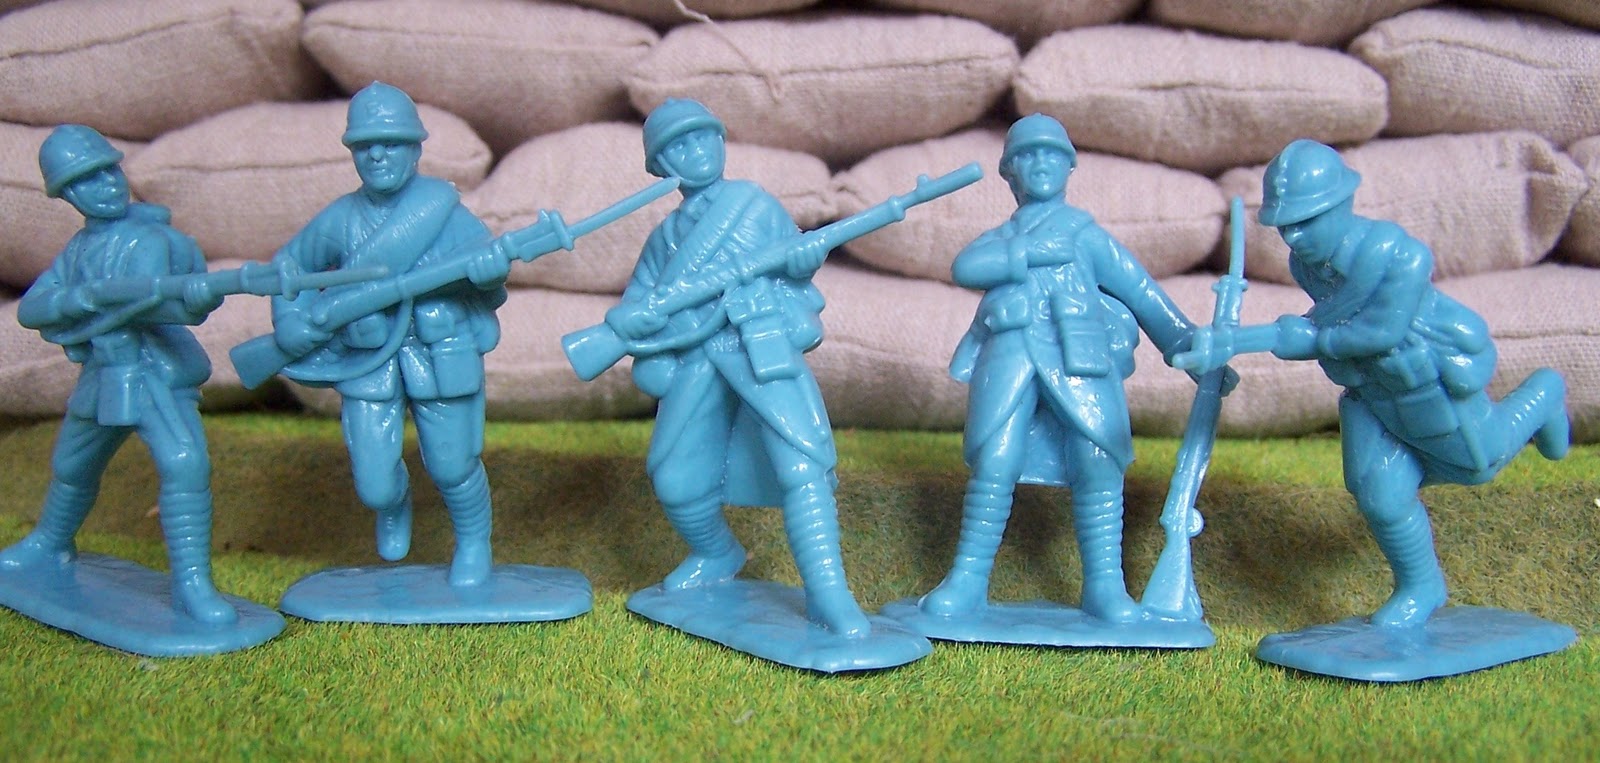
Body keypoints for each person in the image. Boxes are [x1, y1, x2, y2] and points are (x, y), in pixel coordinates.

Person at [1176, 139, 1569, 628]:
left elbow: (1379, 331)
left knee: (1478, 464)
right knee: (1379, 493)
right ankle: (1421, 586)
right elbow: (1316, 324)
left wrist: (1304, 340)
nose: (1293, 237)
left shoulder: (1399, 255)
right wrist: (1229, 342)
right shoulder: (1306, 265)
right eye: (1285, 226)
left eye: (1306, 221)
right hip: (1370, 392)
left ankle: (1544, 394)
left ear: (1342, 205)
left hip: (1420, 377)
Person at [920, 114, 1212, 624]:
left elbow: (1140, 291)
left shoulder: (1085, 236)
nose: (1040, 164)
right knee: (995, 461)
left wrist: (1185, 344)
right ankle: (967, 580)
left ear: (1069, 166)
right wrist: (1029, 251)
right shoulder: (1003, 237)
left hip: (1078, 354)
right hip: (1010, 356)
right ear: (1009, 171)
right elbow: (966, 267)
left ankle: (1105, 585)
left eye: (1052, 155)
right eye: (1027, 155)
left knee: (1097, 460)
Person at [603, 98, 868, 636]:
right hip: (698, 360)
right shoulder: (666, 237)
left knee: (802, 465)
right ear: (660, 165)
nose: (697, 151)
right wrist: (635, 318)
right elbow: (636, 304)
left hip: (758, 345)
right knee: (675, 478)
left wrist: (801, 263)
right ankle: (715, 552)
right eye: (679, 145)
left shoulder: (754, 206)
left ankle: (829, 593)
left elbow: (795, 263)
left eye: (704, 137)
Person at [269, 82, 508, 587]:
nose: (377, 155)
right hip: (369, 359)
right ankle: (393, 505)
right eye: (365, 145)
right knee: (374, 484)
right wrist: (290, 322)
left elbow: (488, 283)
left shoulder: (444, 212)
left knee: (454, 466)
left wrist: (489, 275)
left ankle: (473, 542)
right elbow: (288, 269)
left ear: (416, 149)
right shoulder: (341, 218)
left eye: (391, 143)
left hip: (438, 353)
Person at [3, 124, 235, 623]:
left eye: (108, 172)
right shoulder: (78, 251)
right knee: (73, 465)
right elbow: (33, 308)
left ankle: (193, 584)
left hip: (156, 370)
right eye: (86, 180)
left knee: (185, 465)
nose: (105, 186)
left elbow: (179, 306)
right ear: (67, 195)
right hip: (104, 371)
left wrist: (194, 298)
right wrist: (82, 299)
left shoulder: (158, 240)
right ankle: (50, 541)